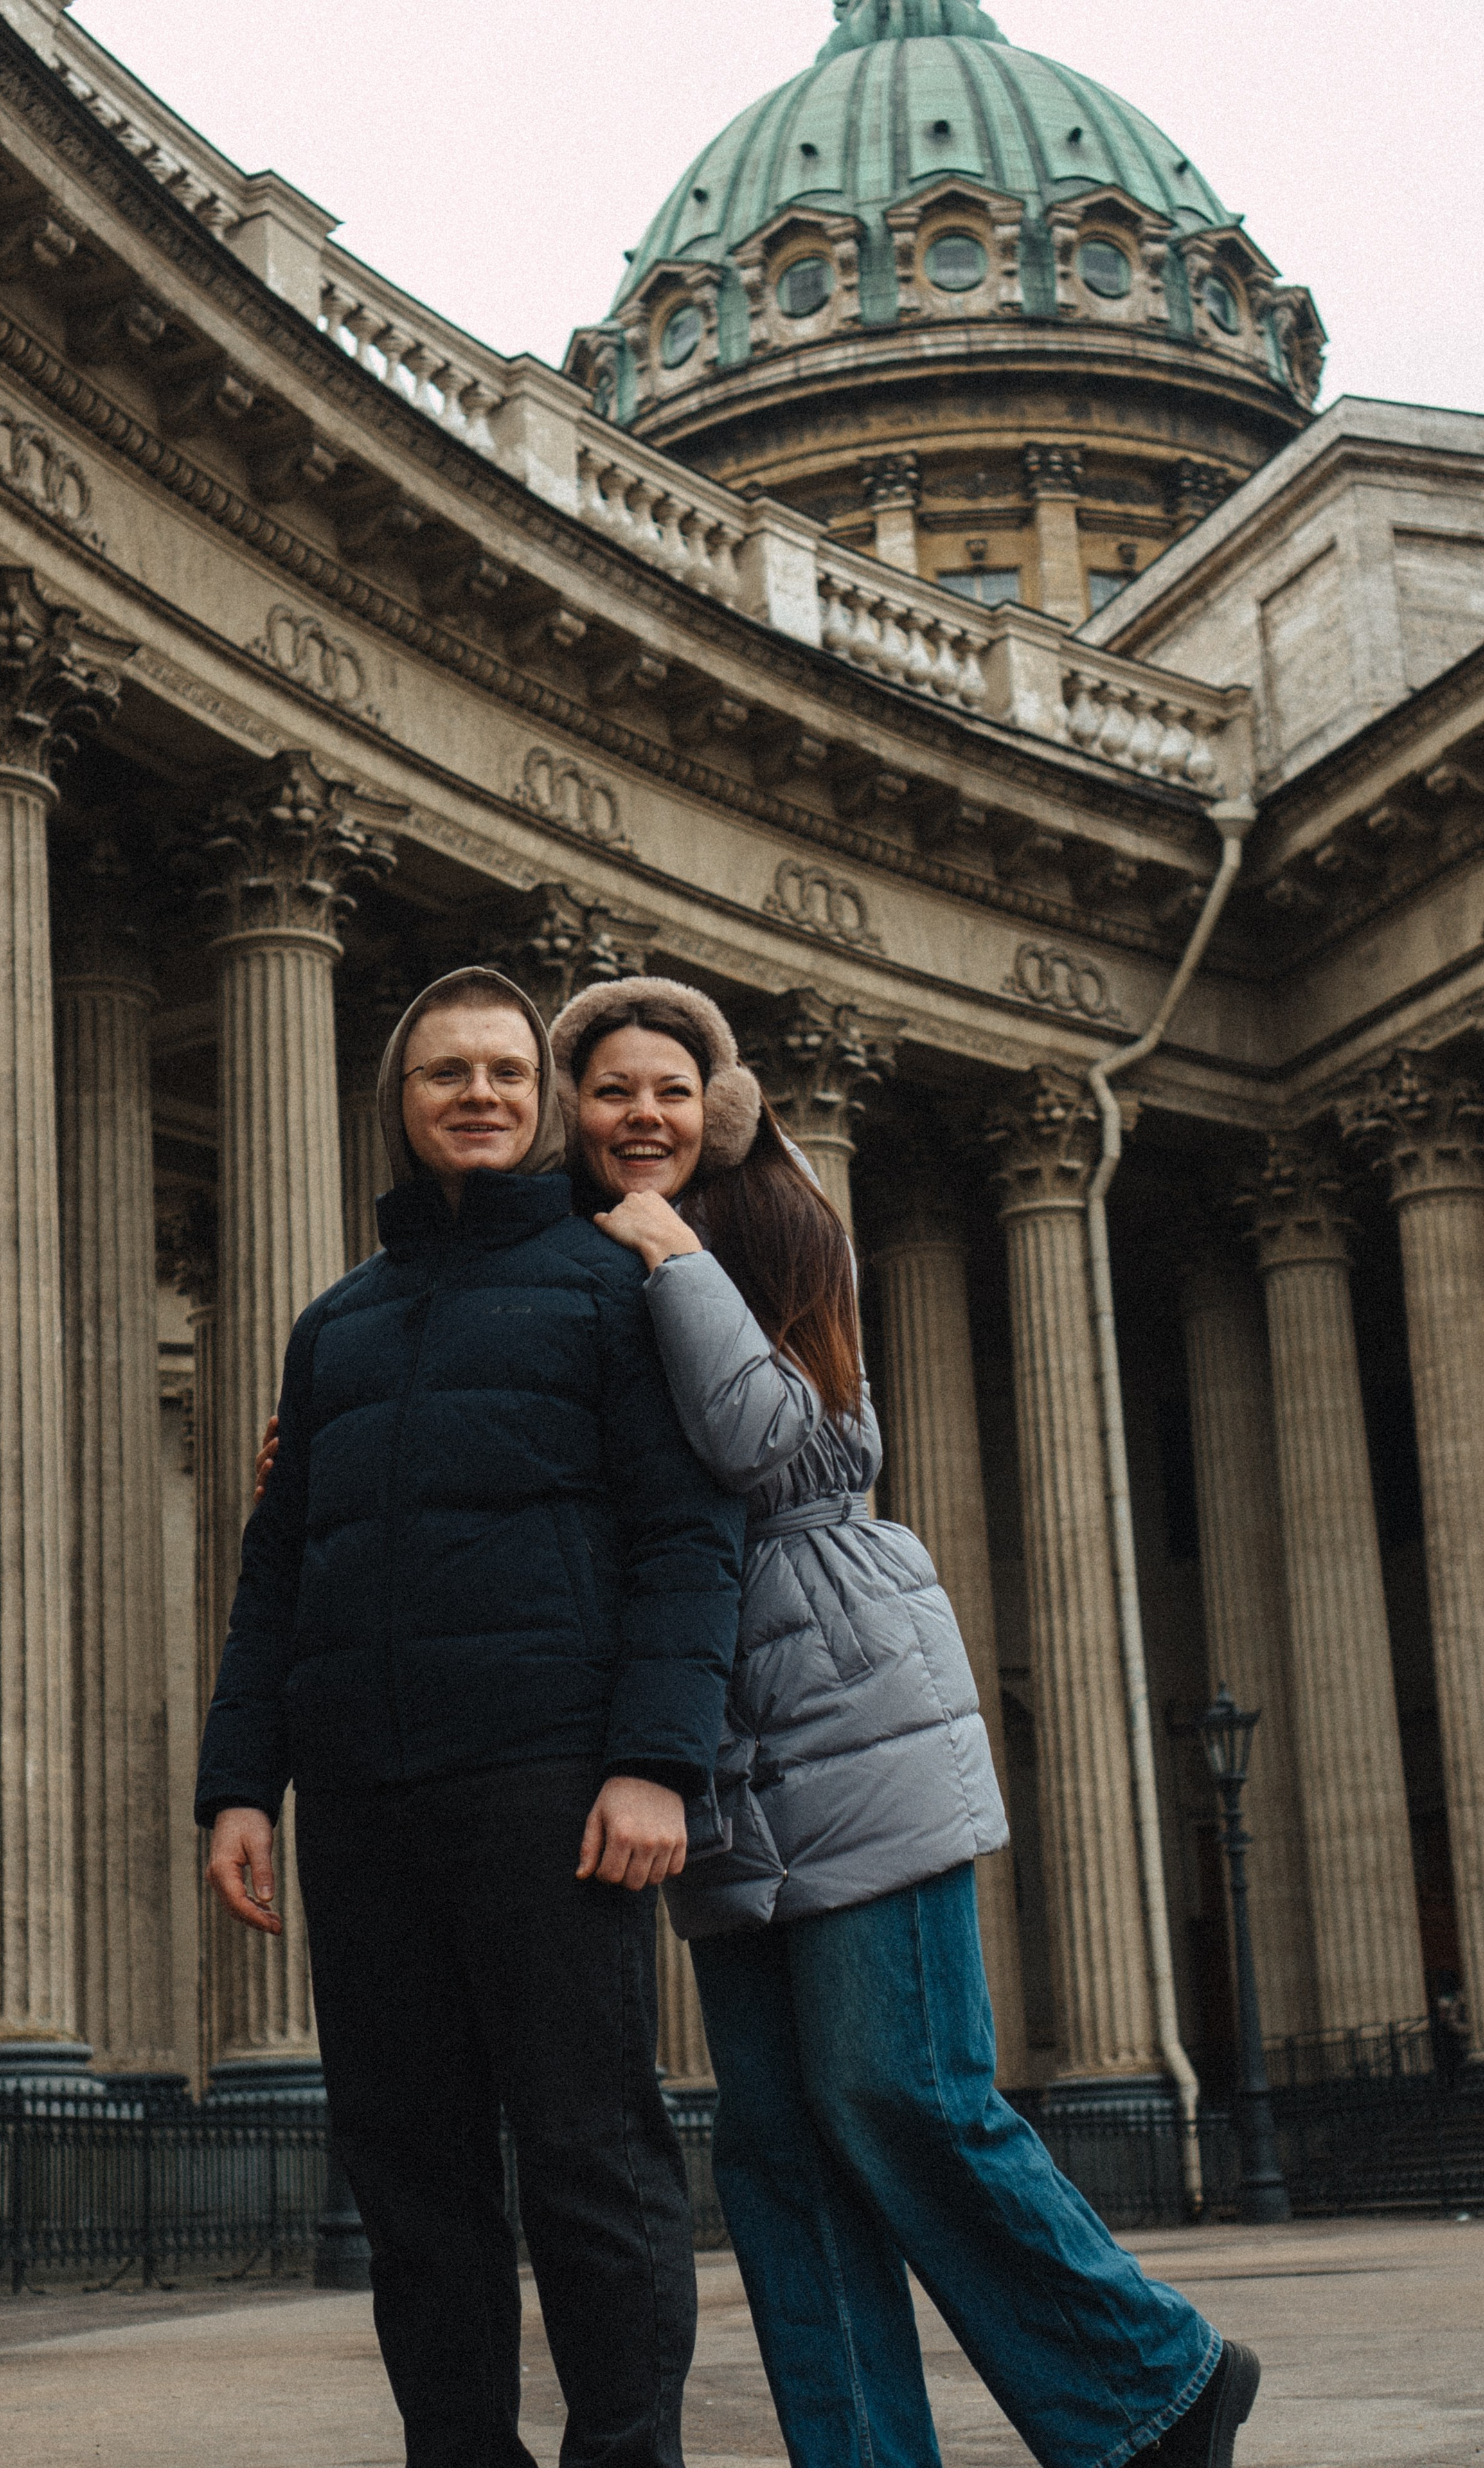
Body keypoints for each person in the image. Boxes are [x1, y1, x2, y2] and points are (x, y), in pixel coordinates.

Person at [544, 974, 1261, 2468]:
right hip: (713, 1738)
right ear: (574, 1110)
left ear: (717, 1105)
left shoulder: (774, 1224)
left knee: (903, 2089)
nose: (642, 1116)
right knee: (778, 2156)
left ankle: (1158, 2386)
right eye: (610, 1090)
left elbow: (774, 1445)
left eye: (669, 1090)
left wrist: (676, 1255)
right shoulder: (576, 1258)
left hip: (849, 1694)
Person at [199, 966, 746, 2468]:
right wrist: (239, 1783)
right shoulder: (332, 1329)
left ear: (549, 1102)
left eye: (509, 1072)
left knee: (587, 2155)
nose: (481, 1095)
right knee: (409, 2171)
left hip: (548, 1780)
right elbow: (276, 1572)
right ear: (402, 1102)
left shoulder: (618, 1285)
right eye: (449, 1073)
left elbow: (687, 1541)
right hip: (364, 1799)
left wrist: (651, 1763)